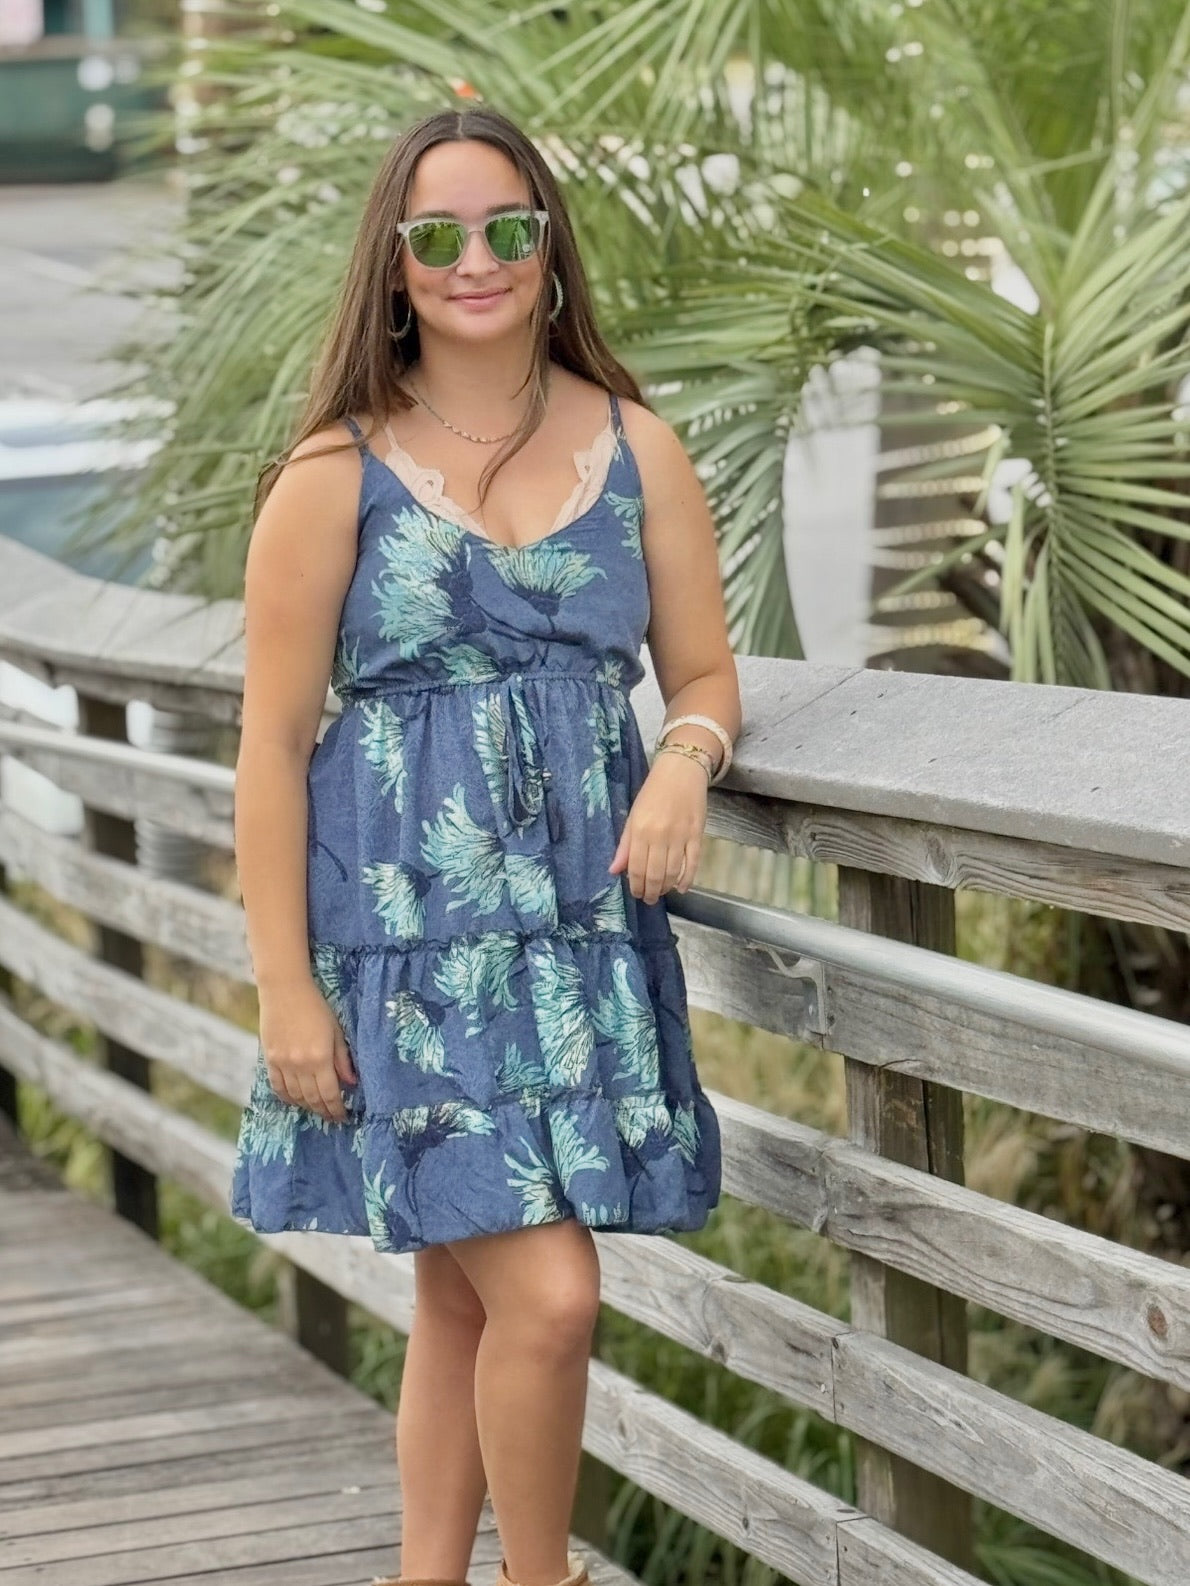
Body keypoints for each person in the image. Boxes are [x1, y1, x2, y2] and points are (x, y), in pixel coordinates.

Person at [229, 105, 741, 1586]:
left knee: (470, 1300)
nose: (475, 261)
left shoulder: (637, 449)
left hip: (574, 950)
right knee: (550, 1297)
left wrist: (684, 761)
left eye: (507, 229)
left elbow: (702, 675)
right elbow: (267, 746)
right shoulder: (334, 474)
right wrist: (282, 988)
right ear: (392, 267)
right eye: (437, 235)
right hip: (397, 955)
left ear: (548, 249)